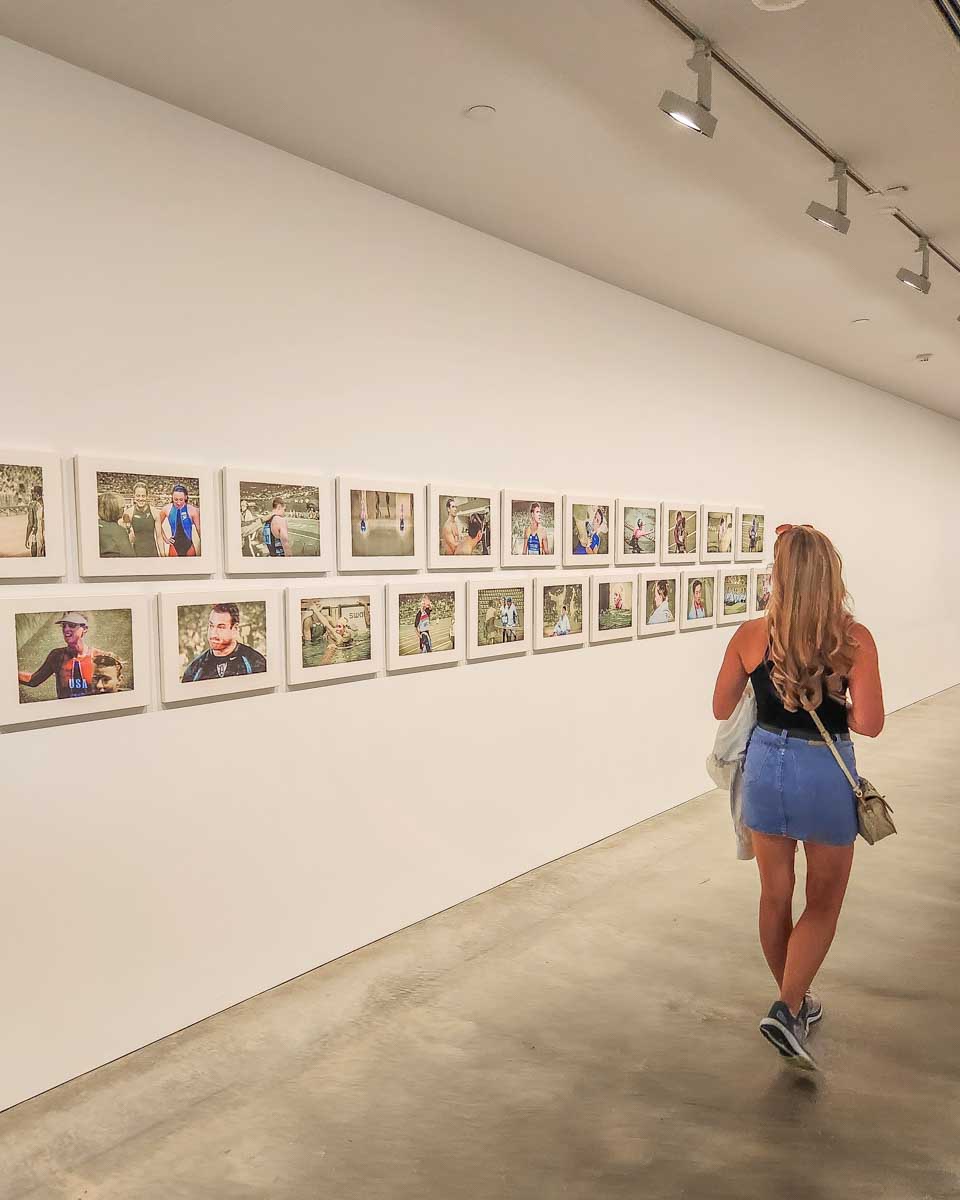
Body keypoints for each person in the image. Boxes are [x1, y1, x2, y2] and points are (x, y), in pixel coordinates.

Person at [712, 524, 884, 1071]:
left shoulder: (751, 636)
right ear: (831, 575)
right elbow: (870, 722)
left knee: (774, 895)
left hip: (765, 767)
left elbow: (721, 708)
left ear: (779, 577)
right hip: (823, 771)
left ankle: (795, 1003)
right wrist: (839, 702)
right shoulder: (853, 640)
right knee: (824, 901)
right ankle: (788, 1007)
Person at [18, 611, 109, 699]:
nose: (66, 629)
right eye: (64, 626)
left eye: (72, 625)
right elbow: (33, 680)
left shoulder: (100, 657)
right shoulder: (56, 656)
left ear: (84, 629)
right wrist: (11, 673)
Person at [181, 603, 267, 681]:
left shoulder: (255, 662)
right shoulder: (194, 670)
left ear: (235, 629)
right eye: (211, 626)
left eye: (221, 627)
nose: (213, 633)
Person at [156, 484, 201, 558]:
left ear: (185, 497)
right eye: (175, 499)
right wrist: (166, 539)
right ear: (172, 497)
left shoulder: (192, 510)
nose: (178, 503)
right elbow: (157, 524)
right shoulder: (166, 509)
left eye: (181, 499)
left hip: (189, 547)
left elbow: (200, 531)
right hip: (174, 547)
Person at [121, 483, 161, 557]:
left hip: (152, 553)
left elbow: (159, 537)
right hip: (135, 554)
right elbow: (126, 539)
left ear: (147, 496)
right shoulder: (128, 513)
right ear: (134, 496)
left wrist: (163, 555)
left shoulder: (154, 512)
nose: (140, 499)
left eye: (143, 496)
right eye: (138, 496)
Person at [97, 492, 135, 558]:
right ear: (114, 509)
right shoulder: (119, 531)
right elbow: (129, 557)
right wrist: (129, 541)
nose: (124, 510)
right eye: (122, 508)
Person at [25, 484, 45, 557]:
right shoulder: (46, 502)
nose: (31, 494)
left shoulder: (32, 505)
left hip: (37, 532)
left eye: (32, 492)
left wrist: (27, 538)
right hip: (46, 532)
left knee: (36, 556)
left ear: (36, 493)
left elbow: (30, 524)